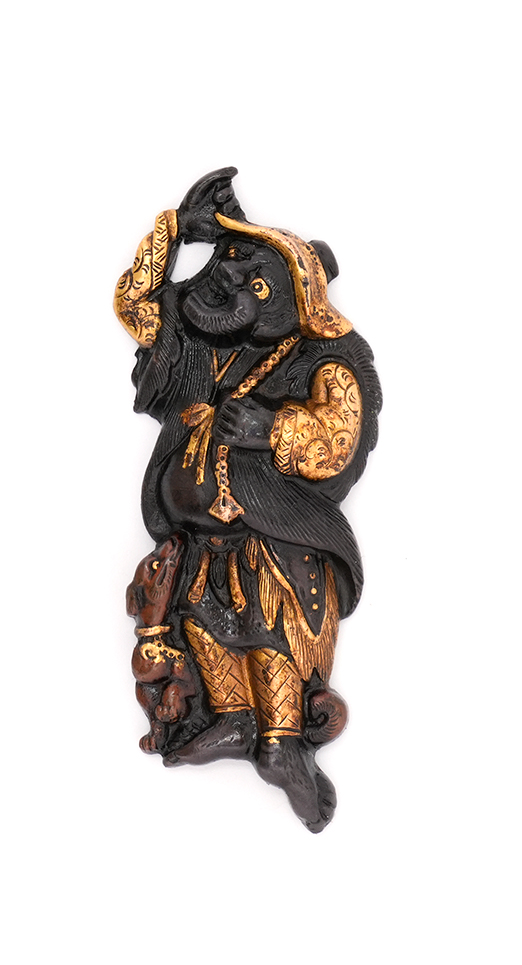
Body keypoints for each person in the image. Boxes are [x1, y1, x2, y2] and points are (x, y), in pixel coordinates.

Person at [115, 167, 381, 832]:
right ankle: (232, 720)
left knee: (269, 628)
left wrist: (273, 428)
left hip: (274, 538)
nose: (231, 282)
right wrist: (176, 232)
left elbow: (339, 434)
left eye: (257, 283)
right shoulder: (200, 346)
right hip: (200, 538)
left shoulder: (324, 358)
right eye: (232, 263)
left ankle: (281, 743)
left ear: (295, 301)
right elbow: (138, 308)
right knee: (204, 622)